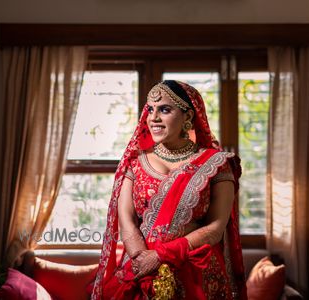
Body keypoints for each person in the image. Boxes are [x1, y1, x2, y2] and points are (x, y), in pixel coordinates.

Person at [90, 80, 247, 300]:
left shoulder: (217, 163)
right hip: (140, 270)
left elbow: (216, 227)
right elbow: (126, 218)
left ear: (188, 117)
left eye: (164, 109)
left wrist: (160, 256)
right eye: (150, 110)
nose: (154, 118)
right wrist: (141, 259)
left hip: (193, 272)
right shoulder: (135, 162)